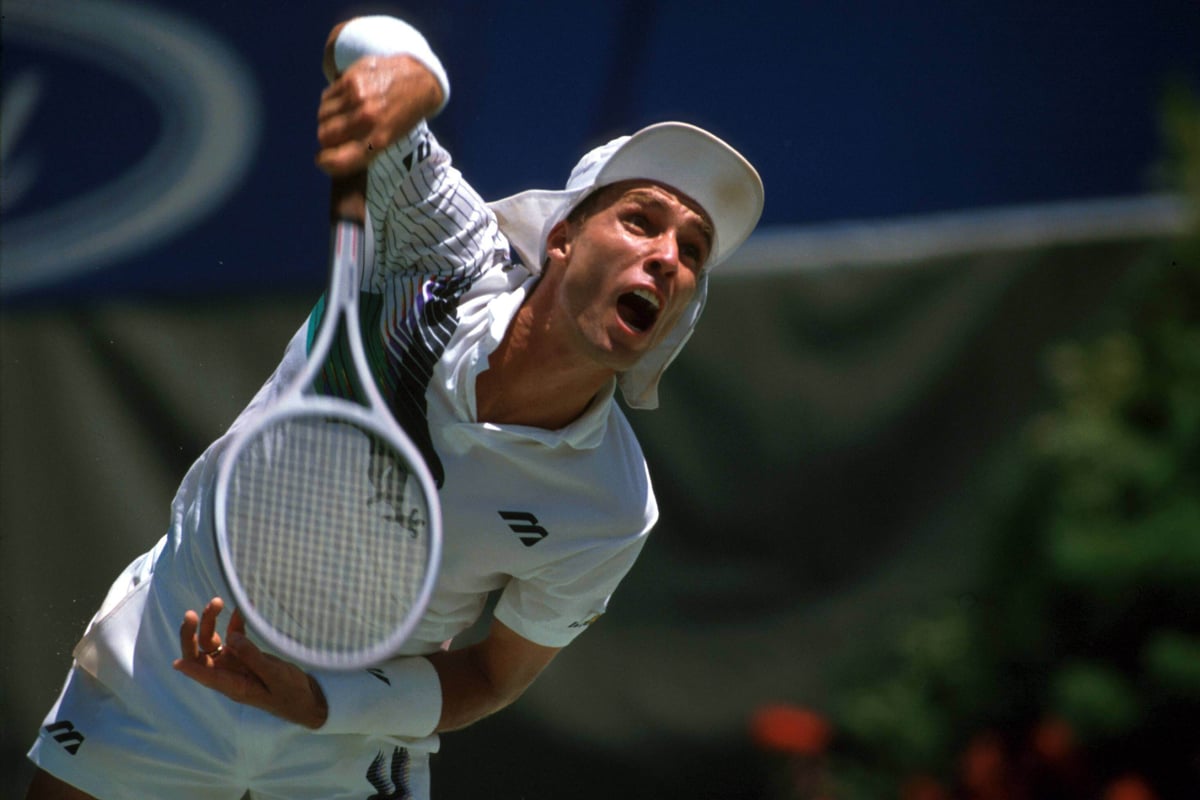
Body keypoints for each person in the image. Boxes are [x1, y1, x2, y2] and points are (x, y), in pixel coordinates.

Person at [25, 13, 763, 800]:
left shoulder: (612, 506)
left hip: (347, 745)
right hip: (173, 656)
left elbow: (491, 673)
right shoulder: (437, 258)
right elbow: (358, 40)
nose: (667, 256)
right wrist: (419, 79)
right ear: (562, 238)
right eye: (642, 220)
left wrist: (320, 704)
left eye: (691, 252)